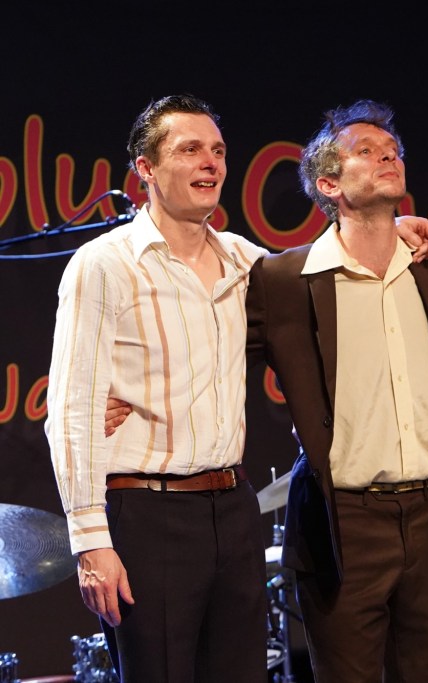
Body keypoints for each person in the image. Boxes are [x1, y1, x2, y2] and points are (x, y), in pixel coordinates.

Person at [46, 95, 270, 682]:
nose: (211, 163)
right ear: (145, 168)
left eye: (218, 150)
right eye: (190, 149)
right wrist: (91, 540)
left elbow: (324, 276)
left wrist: (392, 228)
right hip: (149, 515)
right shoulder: (105, 263)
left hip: (233, 508)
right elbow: (72, 408)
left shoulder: (245, 262)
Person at [245, 99, 428, 683]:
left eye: (393, 150)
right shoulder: (285, 280)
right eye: (366, 152)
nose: (388, 157)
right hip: (343, 522)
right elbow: (213, 360)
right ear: (329, 184)